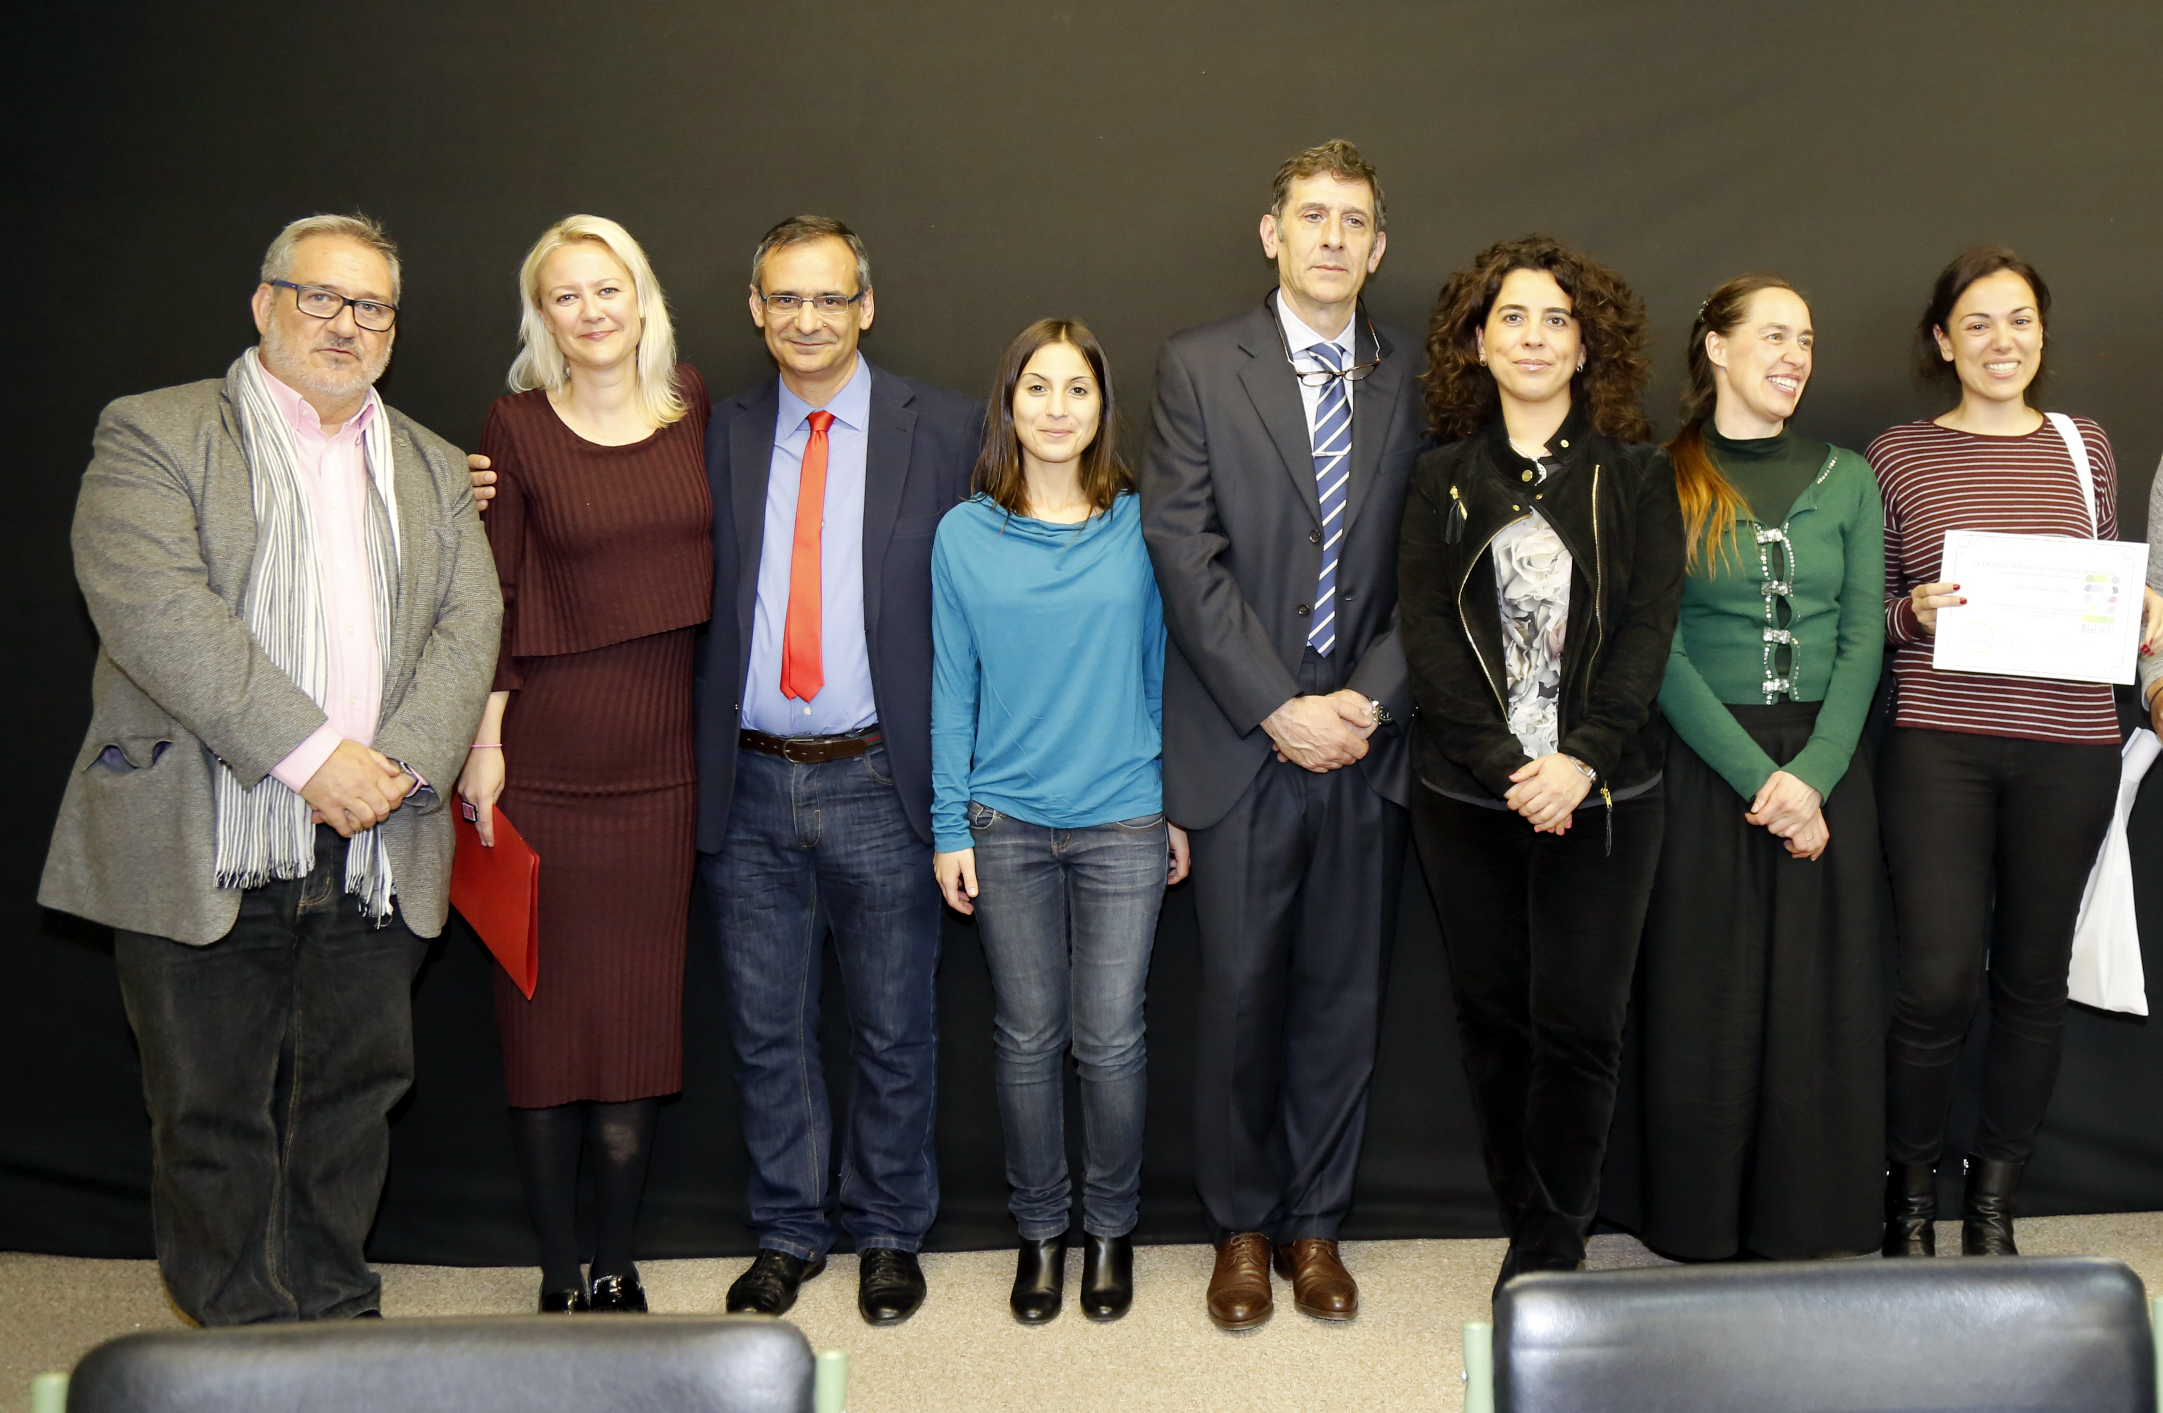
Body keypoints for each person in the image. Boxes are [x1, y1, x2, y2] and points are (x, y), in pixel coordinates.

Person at [39, 214, 500, 1324]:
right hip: (203, 829)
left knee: (353, 1099)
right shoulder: (155, 431)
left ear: (393, 327)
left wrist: (394, 769)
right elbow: (157, 613)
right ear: (265, 304)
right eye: (320, 297)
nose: (345, 324)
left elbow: (469, 617)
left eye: (371, 306)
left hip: (378, 834)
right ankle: (236, 1345)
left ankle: (335, 1318)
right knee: (209, 1112)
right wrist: (312, 758)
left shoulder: (434, 465)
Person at [1140, 139, 1426, 1330]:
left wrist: (1367, 701)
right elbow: (1182, 549)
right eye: (1312, 216)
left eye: (1353, 220)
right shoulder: (1200, 365)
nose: (1331, 238)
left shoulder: (1417, 374)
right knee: (1242, 999)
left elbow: (1433, 558)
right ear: (1273, 234)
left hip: (1368, 737)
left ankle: (1318, 1227)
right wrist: (1278, 705)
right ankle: (1243, 1232)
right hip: (1242, 740)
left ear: (1378, 246)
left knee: (1342, 1003)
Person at [699, 216, 980, 1325]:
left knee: (894, 1027)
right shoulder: (712, 433)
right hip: (748, 780)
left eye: (829, 298)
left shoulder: (946, 428)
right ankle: (787, 1229)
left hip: (879, 776)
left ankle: (888, 1230)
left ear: (866, 306)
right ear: (755, 310)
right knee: (767, 1029)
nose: (807, 319)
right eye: (786, 298)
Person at [1396, 235, 1683, 1297]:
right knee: (1495, 1025)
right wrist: (1511, 767)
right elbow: (1426, 633)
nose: (1533, 338)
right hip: (1467, 796)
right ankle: (1528, 1222)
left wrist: (1577, 763)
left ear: (1585, 345)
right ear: (1476, 342)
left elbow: (1648, 632)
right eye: (1511, 317)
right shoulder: (1439, 478)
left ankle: (1553, 1249)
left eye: (1555, 319)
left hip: (1606, 796)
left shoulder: (1637, 475)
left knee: (1579, 1029)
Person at [1871, 247, 2163, 1258]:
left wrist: (2140, 606)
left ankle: (1993, 1205)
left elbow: (2105, 584)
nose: (2003, 341)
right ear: (1943, 340)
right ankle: (1910, 1202)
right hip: (1938, 746)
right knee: (1935, 983)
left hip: (2069, 746)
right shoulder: (1898, 454)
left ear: (2042, 332)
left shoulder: (2086, 445)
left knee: (2033, 981)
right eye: (1978, 323)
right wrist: (1907, 613)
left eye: (2020, 320)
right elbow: (1866, 612)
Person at [454, 216, 711, 1314]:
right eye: (567, 295)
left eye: (609, 288)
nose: (592, 310)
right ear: (542, 317)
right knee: (543, 1032)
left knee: (637, 1029)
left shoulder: (695, 407)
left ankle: (617, 1259)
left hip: (661, 771)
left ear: (642, 298)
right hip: (545, 766)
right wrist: (484, 746)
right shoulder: (512, 428)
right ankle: (559, 1269)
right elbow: (495, 596)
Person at [931, 320, 1189, 1325]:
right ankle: (1041, 1231)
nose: (1055, 407)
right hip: (1004, 824)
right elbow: (952, 689)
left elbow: (1166, 673)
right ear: (1009, 403)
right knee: (1027, 1038)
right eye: (1036, 387)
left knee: (1110, 1038)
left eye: (1076, 389)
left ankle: (1110, 1230)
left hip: (1124, 820)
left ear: (1101, 408)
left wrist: (1178, 808)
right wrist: (950, 825)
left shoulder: (1141, 525)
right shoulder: (964, 536)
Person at [1627, 276, 1886, 1261]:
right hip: (1707, 767)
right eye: (1773, 335)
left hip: (1827, 765)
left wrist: (1813, 776)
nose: (1793, 357)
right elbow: (1657, 651)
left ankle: (1809, 1219)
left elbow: (1860, 638)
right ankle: (1696, 1220)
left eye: (1805, 340)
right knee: (1709, 993)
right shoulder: (1661, 475)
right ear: (1716, 347)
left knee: (1821, 999)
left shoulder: (1847, 476)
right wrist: (1757, 779)